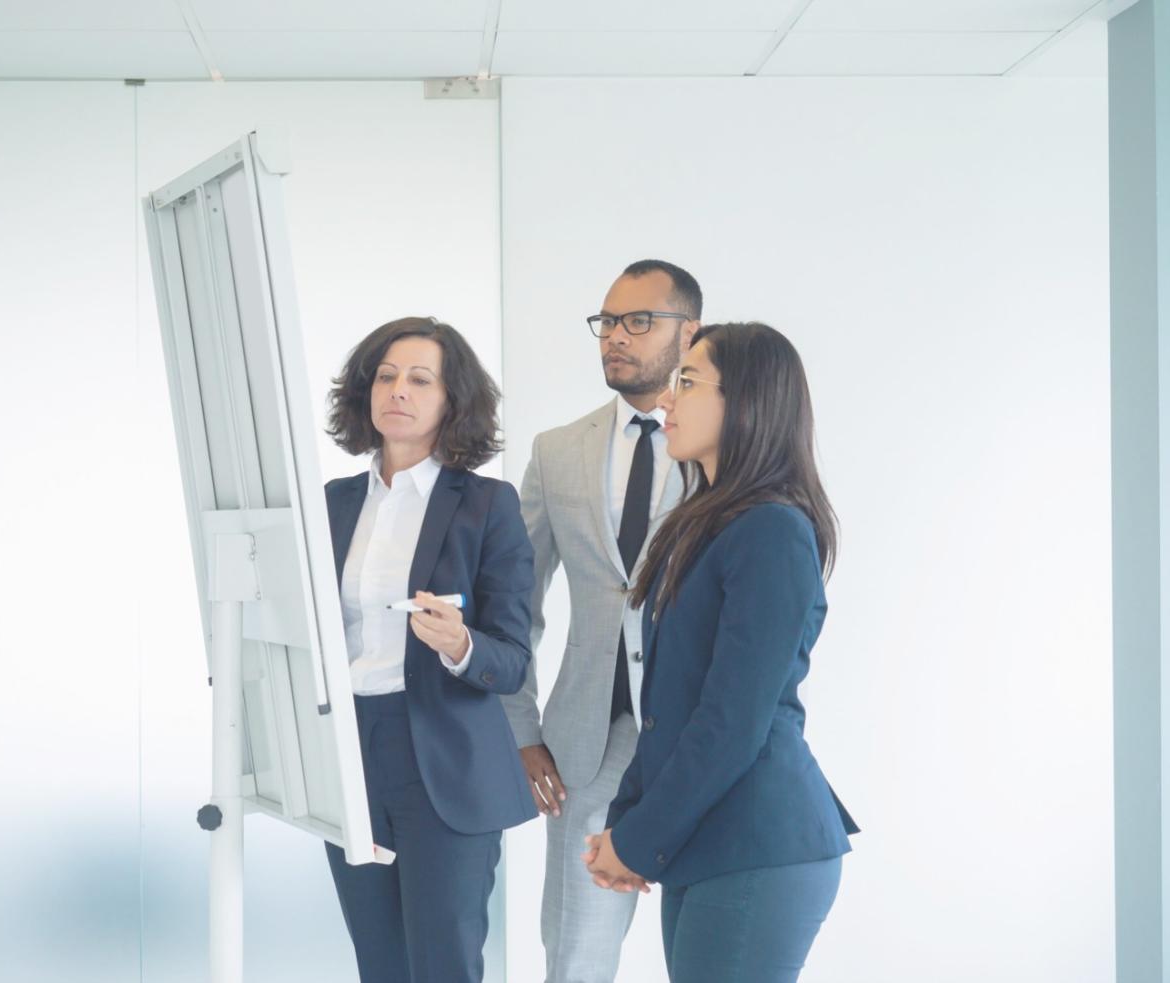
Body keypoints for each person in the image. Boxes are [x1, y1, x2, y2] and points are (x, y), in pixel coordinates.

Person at [583, 321, 860, 983]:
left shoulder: (772, 530)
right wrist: (627, 826)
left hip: (759, 842)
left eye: (688, 381)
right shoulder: (707, 521)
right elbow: (669, 707)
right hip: (713, 841)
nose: (665, 400)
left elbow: (730, 722)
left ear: (748, 401)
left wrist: (639, 840)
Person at [322, 316, 537, 983]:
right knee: (380, 964)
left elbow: (512, 658)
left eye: (420, 379)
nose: (399, 391)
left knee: (442, 966)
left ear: (453, 400)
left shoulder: (487, 505)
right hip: (352, 754)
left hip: (444, 761)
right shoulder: (332, 503)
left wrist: (461, 644)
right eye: (385, 376)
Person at [503, 260, 701, 982]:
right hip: (587, 740)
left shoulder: (726, 446)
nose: (615, 337)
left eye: (638, 321)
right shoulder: (557, 452)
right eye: (607, 322)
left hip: (697, 734)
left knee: (710, 946)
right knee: (576, 955)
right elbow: (514, 602)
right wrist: (522, 731)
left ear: (692, 331)